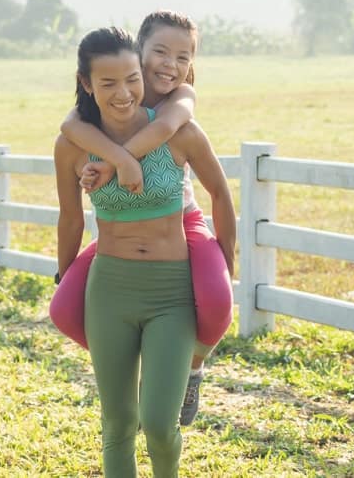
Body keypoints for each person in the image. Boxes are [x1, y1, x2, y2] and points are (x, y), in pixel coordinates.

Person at [54, 26, 236, 477]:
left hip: (171, 293)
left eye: (132, 79)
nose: (123, 93)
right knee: (117, 422)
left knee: (158, 423)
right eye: (108, 83)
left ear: (143, 74)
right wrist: (63, 274)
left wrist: (227, 261)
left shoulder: (177, 130)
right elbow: (72, 218)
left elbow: (220, 192)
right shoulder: (73, 145)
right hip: (110, 291)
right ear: (86, 84)